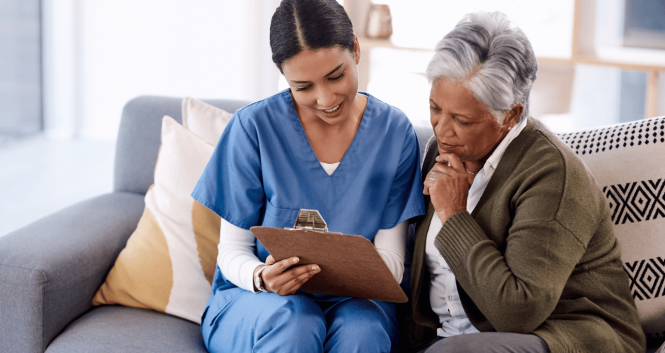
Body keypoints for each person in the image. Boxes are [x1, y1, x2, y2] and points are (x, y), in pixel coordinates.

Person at [191, 0, 425, 352]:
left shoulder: (394, 133)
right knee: (295, 321)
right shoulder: (253, 129)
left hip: (357, 302)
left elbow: (391, 262)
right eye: (303, 87)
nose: (325, 98)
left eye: (336, 76)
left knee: (363, 333)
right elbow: (232, 251)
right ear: (284, 78)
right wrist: (262, 277)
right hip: (262, 303)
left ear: (356, 49)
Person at [407, 11, 646, 353]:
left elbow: (517, 313)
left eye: (461, 119)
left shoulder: (553, 175)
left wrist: (454, 214)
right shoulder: (441, 151)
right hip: (452, 338)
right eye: (435, 109)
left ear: (511, 115)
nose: (442, 130)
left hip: (569, 337)